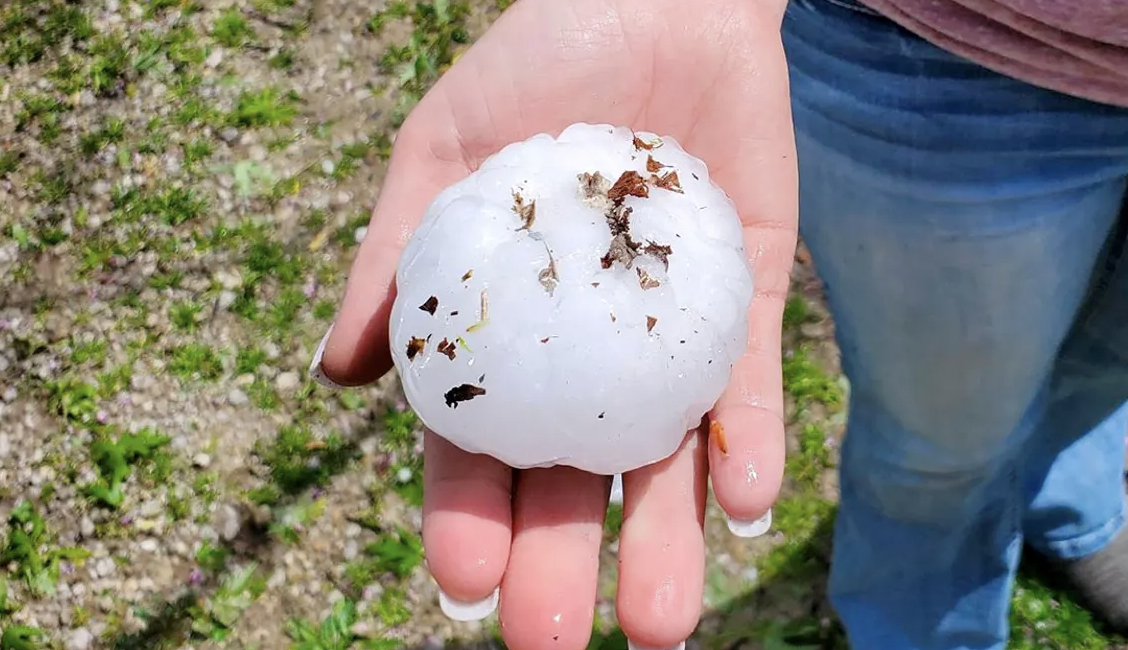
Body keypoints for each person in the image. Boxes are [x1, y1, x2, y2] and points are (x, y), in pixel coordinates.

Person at [308, 0, 1128, 648]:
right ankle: (923, 628)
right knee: (946, 429)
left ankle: (1071, 501)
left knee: (1105, 360)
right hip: (948, 58)